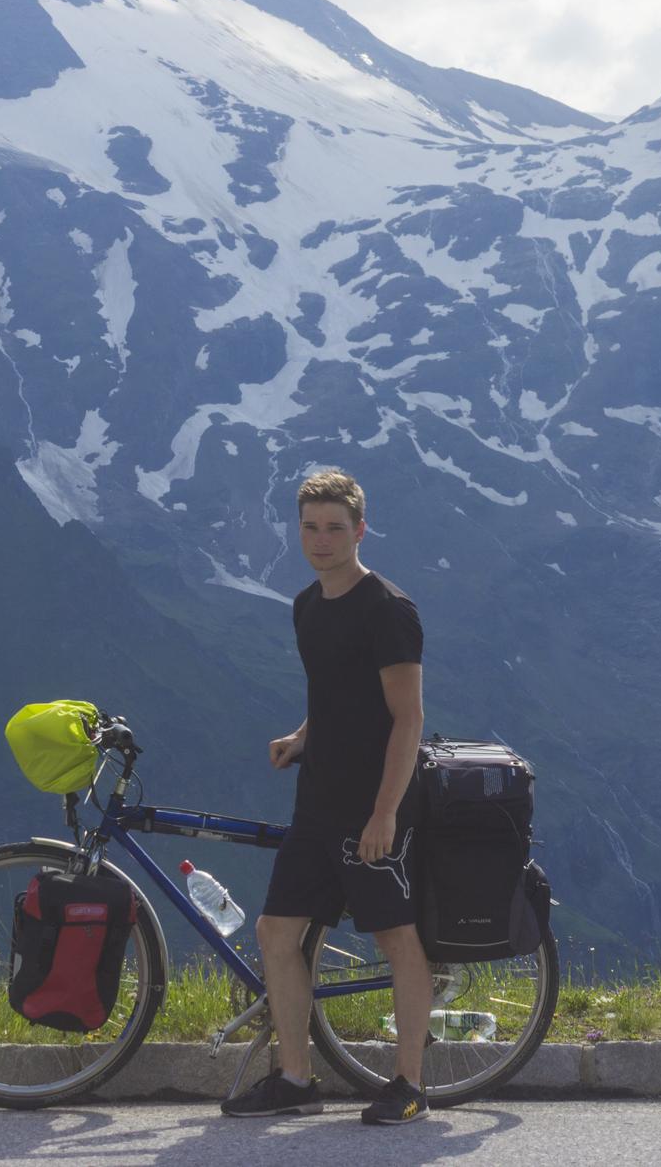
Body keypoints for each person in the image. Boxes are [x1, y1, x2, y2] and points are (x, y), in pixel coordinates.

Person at [220, 468, 433, 1126]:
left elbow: (407, 718)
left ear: (359, 530)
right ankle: (294, 1077)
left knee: (397, 939)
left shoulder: (388, 609)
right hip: (317, 803)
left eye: (334, 527)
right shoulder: (307, 605)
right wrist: (303, 735)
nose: (320, 539)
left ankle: (409, 1084)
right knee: (276, 932)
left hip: (372, 804)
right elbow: (338, 695)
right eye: (310, 526)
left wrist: (385, 812)